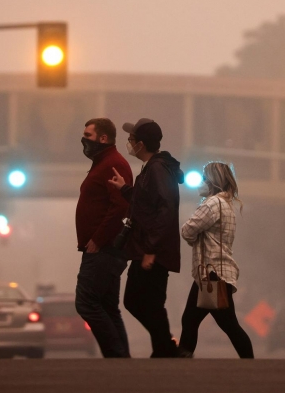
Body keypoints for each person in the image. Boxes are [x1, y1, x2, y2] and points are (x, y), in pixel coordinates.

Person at [108, 118, 184, 358]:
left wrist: (152, 248)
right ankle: (164, 348)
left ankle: (166, 346)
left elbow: (165, 208)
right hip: (149, 248)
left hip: (152, 251)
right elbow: (147, 205)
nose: (129, 143)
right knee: (150, 303)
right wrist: (125, 190)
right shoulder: (154, 168)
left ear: (141, 144)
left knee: (136, 301)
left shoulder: (158, 169)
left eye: (131, 140)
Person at [179, 162, 254, 358]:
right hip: (218, 272)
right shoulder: (227, 205)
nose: (202, 182)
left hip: (212, 274)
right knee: (193, 320)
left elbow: (187, 230)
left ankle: (250, 363)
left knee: (227, 324)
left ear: (213, 182)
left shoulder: (212, 204)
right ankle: (182, 359)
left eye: (205, 178)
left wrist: (194, 237)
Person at [75, 118, 134, 358]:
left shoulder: (112, 164)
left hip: (104, 249)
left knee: (86, 303)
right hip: (107, 248)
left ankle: (116, 355)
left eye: (88, 135)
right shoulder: (104, 162)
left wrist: (97, 239)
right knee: (108, 307)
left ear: (103, 138)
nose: (84, 139)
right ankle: (121, 360)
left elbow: (119, 207)